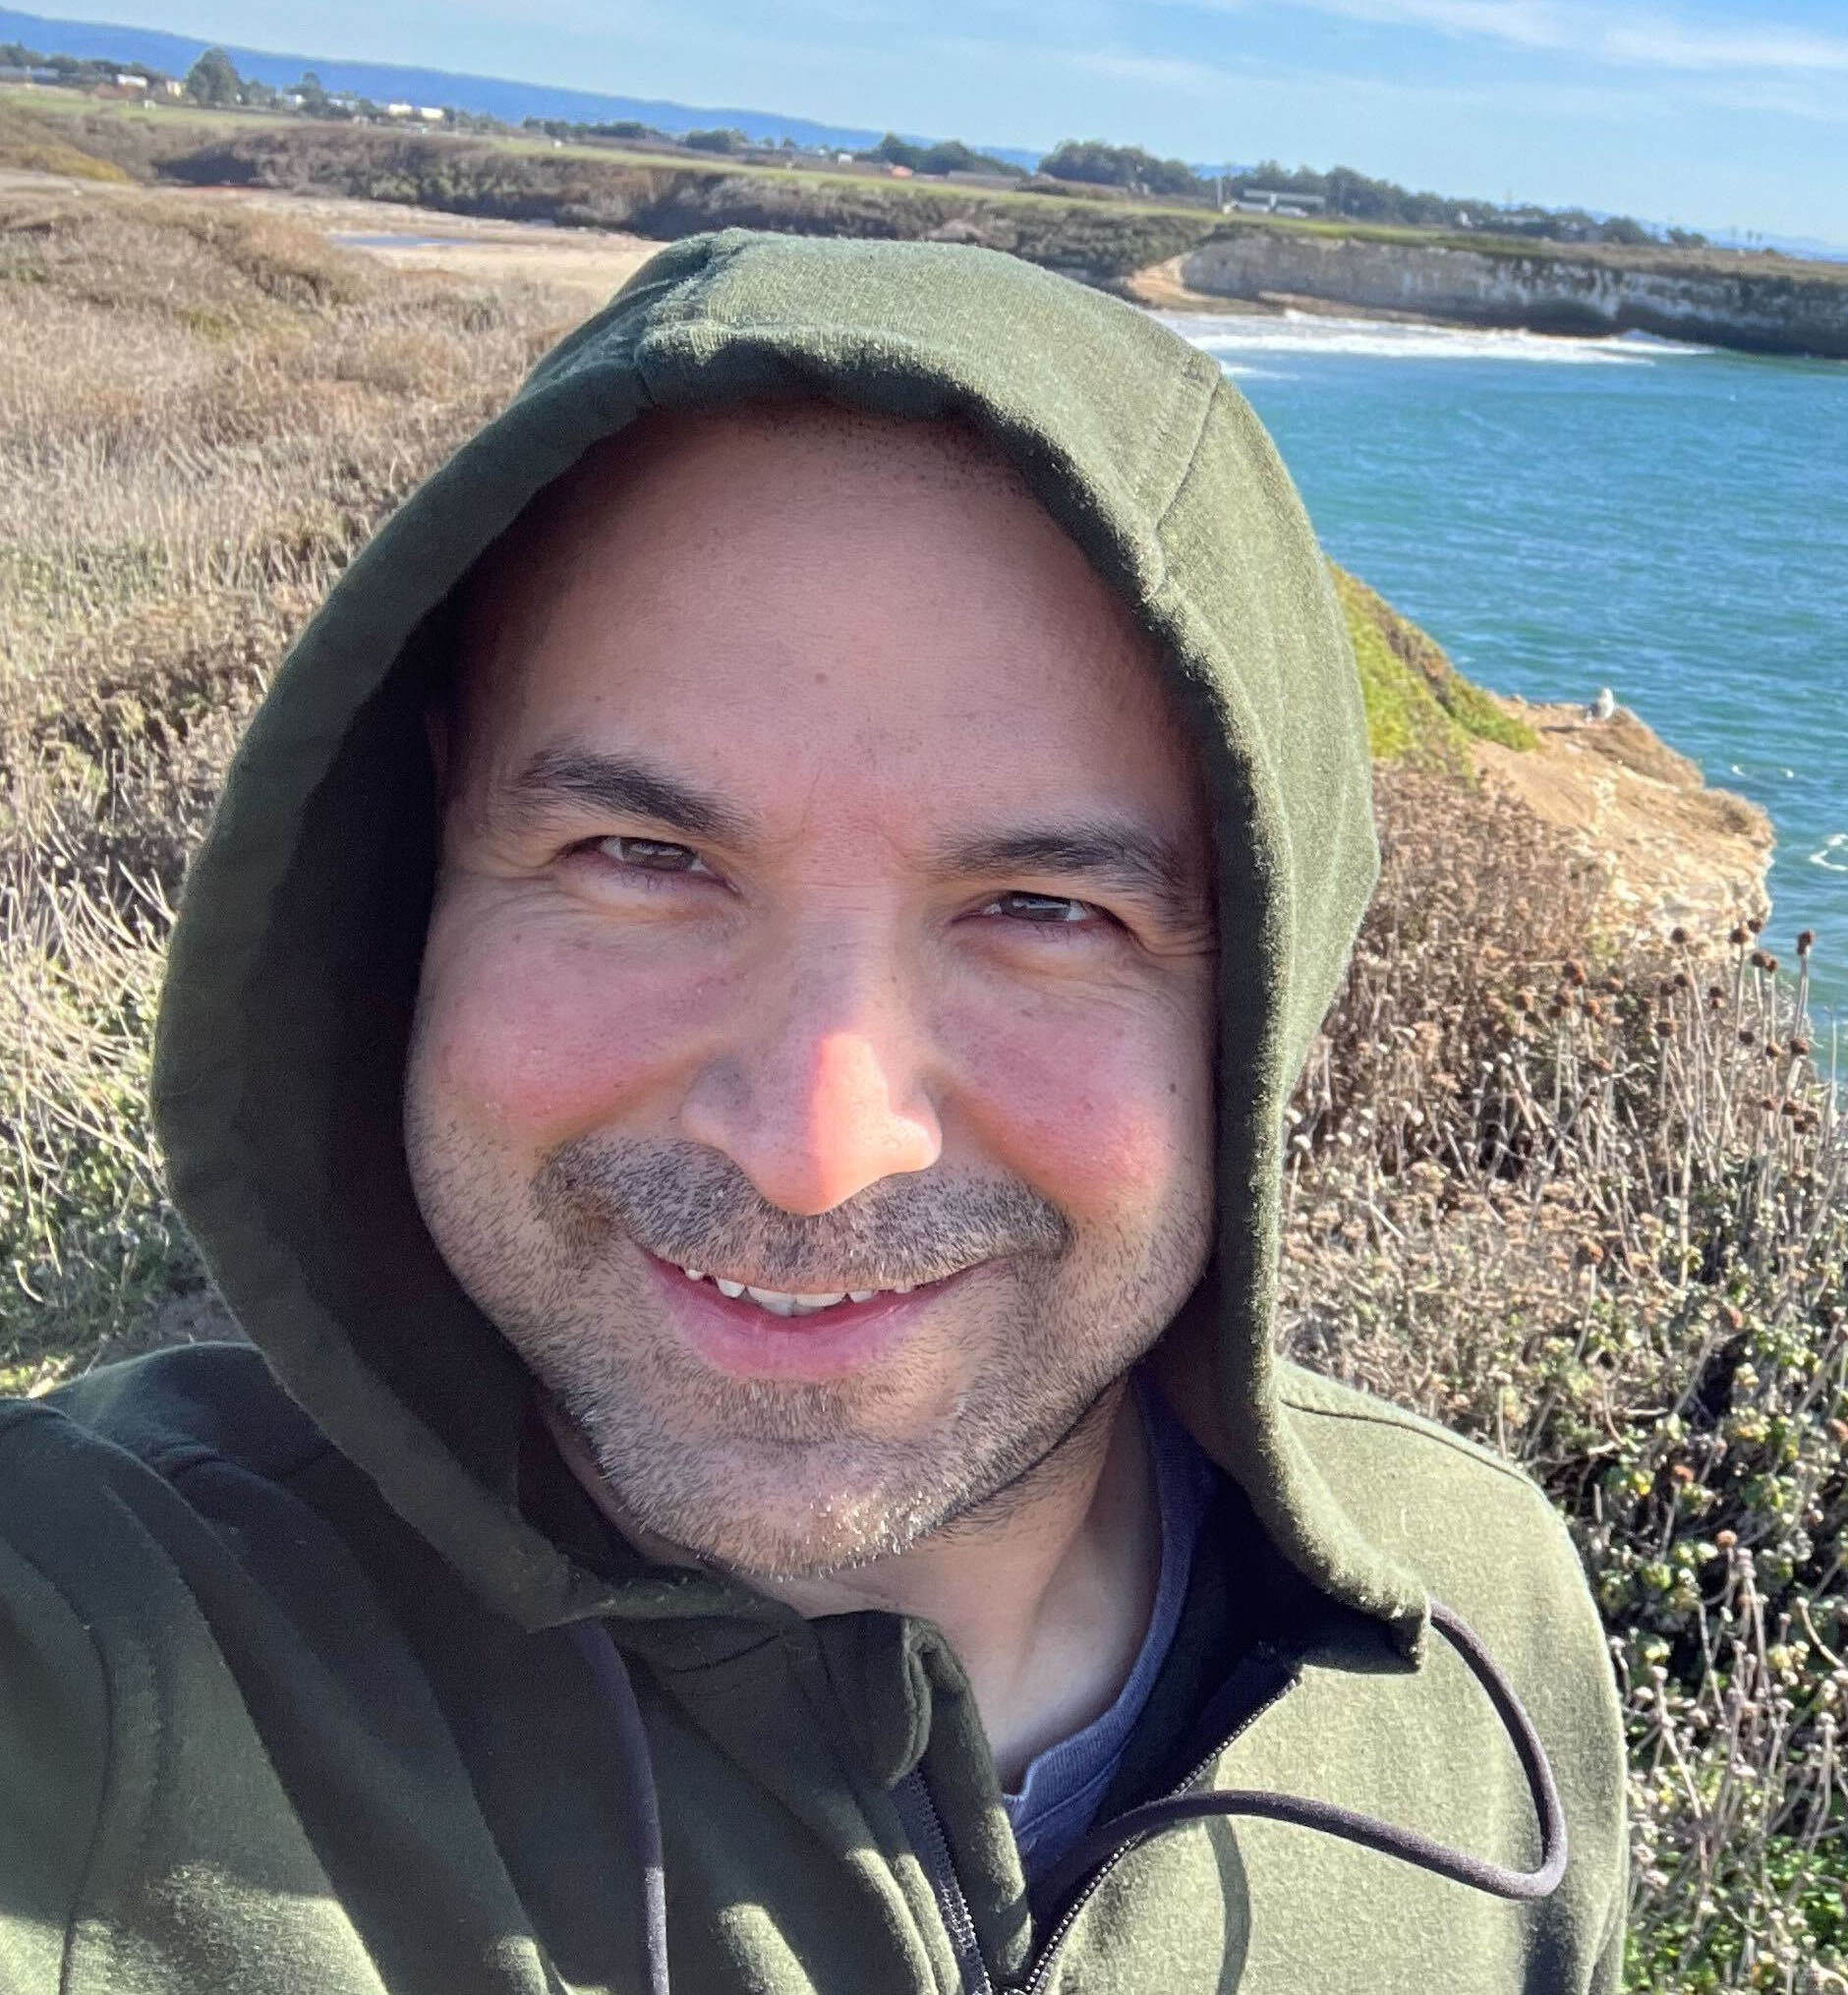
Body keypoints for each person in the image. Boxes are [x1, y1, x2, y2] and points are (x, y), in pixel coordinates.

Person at [0, 230, 1626, 1993]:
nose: (811, 1147)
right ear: (426, 864)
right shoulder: (92, 1633)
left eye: (1044, 910)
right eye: (642, 856)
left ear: (1254, 999)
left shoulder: (1483, 1632)